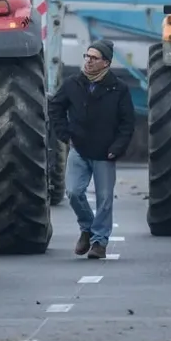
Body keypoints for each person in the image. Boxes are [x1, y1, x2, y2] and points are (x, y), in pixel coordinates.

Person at [48, 39, 135, 259]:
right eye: (86, 56)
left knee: (105, 199)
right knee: (74, 192)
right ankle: (87, 228)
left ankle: (99, 242)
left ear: (105, 63)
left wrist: (117, 147)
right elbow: (55, 107)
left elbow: (127, 123)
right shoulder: (73, 84)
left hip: (105, 153)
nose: (88, 61)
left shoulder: (118, 89)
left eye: (94, 58)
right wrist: (65, 135)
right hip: (79, 149)